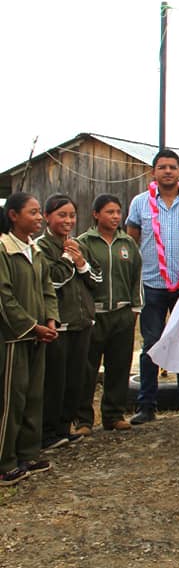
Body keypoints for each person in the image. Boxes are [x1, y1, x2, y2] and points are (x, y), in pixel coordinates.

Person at [126, 149, 179, 423]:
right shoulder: (140, 203)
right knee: (151, 343)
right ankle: (146, 405)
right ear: (153, 172)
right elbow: (131, 241)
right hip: (151, 284)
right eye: (162, 167)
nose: (167, 171)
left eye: (172, 167)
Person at [0, 193, 59, 486]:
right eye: (33, 212)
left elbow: (47, 288)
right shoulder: (4, 249)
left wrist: (49, 320)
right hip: (14, 339)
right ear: (13, 215)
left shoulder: (34, 249)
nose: (39, 218)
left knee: (34, 397)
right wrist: (31, 327)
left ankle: (28, 453)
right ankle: (5, 461)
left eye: (39, 213)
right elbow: (5, 297)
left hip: (39, 335)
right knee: (11, 399)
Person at [36, 194, 100, 448]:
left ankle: (64, 427)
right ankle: (48, 431)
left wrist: (81, 263)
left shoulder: (77, 245)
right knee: (55, 381)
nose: (68, 220)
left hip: (81, 322)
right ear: (47, 217)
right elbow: (51, 280)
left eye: (72, 215)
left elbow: (96, 281)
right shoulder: (41, 247)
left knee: (77, 379)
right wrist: (67, 259)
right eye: (61, 215)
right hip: (58, 325)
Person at [76, 194, 143, 432]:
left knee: (119, 366)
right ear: (96, 214)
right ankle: (83, 420)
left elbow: (137, 277)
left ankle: (114, 415)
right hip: (95, 316)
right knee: (87, 368)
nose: (115, 217)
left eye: (118, 212)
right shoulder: (84, 242)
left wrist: (135, 308)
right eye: (109, 212)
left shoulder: (128, 243)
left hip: (122, 314)